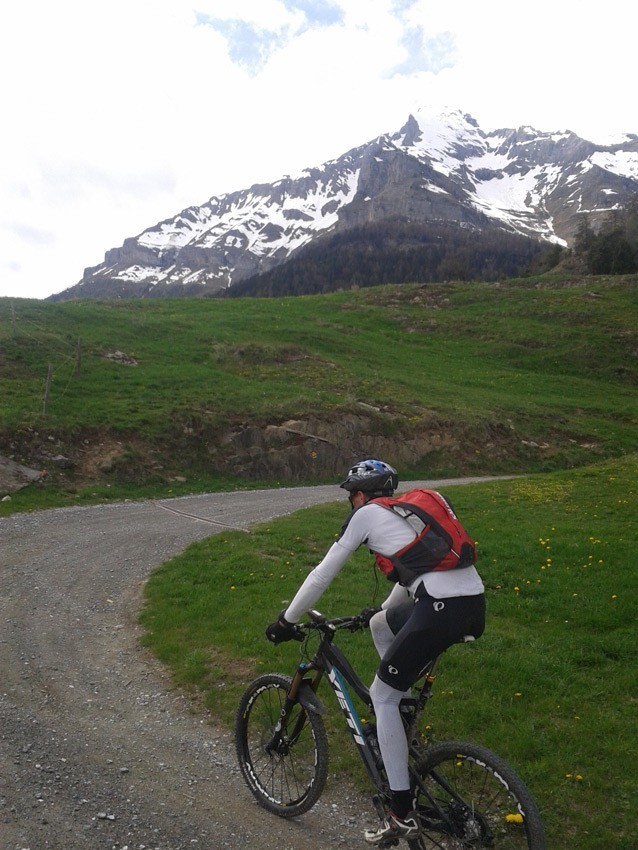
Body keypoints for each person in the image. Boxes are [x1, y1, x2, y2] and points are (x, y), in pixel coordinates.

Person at [266, 459, 486, 845]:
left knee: (381, 695)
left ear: (360, 495)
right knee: (380, 625)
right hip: (470, 603)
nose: (352, 504)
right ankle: (400, 719)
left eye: (351, 497)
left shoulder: (367, 515)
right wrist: (382, 609)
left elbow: (322, 573)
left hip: (439, 608)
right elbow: (414, 570)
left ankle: (400, 813)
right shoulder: (406, 513)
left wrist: (286, 620)